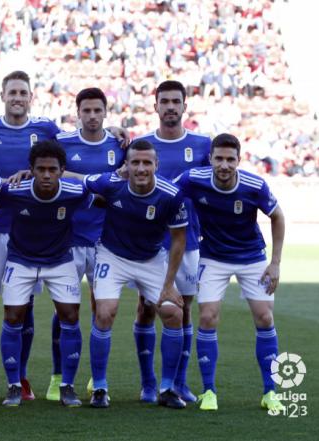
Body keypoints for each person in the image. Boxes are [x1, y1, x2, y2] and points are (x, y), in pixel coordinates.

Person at [174, 133, 286, 413]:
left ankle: (270, 392)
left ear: (239, 160)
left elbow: (278, 216)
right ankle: (209, 391)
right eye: (219, 158)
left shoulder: (254, 185)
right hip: (213, 258)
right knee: (208, 317)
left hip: (251, 258)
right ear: (210, 158)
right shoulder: (193, 179)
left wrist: (275, 263)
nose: (224, 165)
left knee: (264, 317)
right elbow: (167, 192)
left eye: (230, 159)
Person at [0, 70, 61, 400]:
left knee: (26, 305)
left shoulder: (46, 129)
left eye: (23, 92)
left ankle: (20, 376)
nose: (18, 97)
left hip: (29, 229)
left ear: (31, 97)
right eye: (13, 92)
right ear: (3, 95)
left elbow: (75, 148)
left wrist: (119, 134)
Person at [82, 139, 189, 409]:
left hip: (152, 259)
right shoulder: (111, 184)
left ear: (156, 165)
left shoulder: (171, 194)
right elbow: (78, 180)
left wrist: (168, 285)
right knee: (105, 312)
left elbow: (178, 240)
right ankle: (100, 387)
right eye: (135, 163)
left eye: (147, 163)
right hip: (112, 255)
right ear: (126, 166)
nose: (141, 168)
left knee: (174, 312)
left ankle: (166, 389)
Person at [0, 140, 93, 408]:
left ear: (62, 170)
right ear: (31, 170)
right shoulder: (15, 190)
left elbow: (103, 189)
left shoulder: (75, 191)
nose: (46, 175)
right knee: (13, 316)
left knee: (70, 317)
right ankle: (14, 385)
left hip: (60, 261)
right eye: (40, 169)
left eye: (52, 169)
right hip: (20, 260)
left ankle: (67, 386)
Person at [132, 80, 211, 403]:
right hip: (150, 241)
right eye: (164, 101)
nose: (169, 107)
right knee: (146, 308)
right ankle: (149, 383)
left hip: (188, 239)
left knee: (185, 308)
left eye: (175, 101)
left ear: (184, 106)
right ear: (155, 106)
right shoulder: (140, 144)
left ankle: (178, 381)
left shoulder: (204, 146)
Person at [47, 87, 125, 400]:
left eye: (97, 110)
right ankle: (57, 377)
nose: (92, 116)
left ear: (106, 112)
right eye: (86, 111)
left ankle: (96, 378)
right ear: (77, 112)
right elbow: (47, 171)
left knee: (101, 309)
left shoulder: (119, 145)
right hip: (67, 240)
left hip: (105, 241)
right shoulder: (61, 144)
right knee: (64, 310)